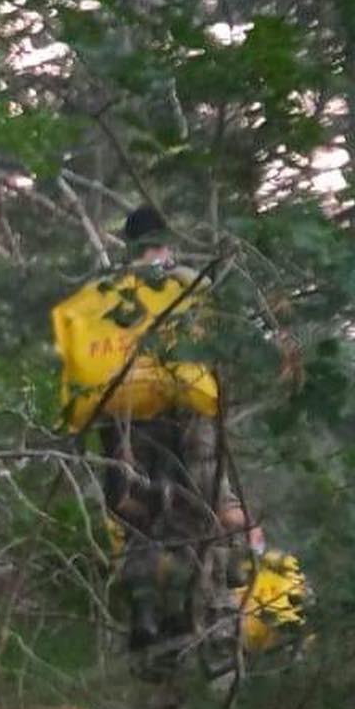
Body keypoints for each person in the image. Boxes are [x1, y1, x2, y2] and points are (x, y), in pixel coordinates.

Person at [90, 207, 232, 670]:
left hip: (123, 421)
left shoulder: (104, 292)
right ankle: (199, 631)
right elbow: (208, 362)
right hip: (183, 418)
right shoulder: (191, 284)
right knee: (198, 519)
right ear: (167, 242)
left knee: (138, 523)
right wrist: (226, 499)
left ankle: (145, 620)